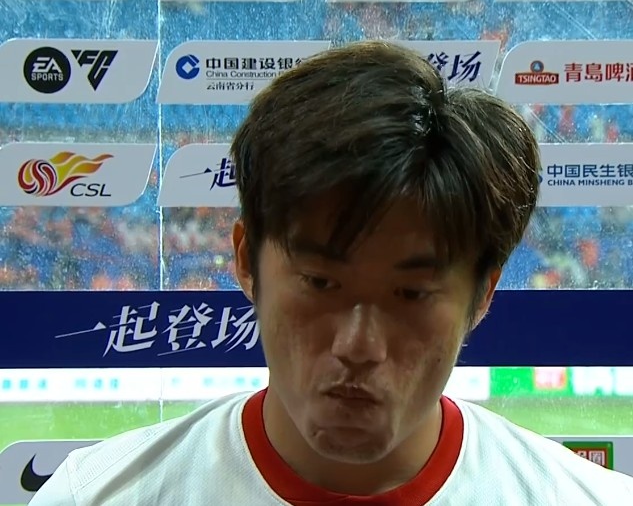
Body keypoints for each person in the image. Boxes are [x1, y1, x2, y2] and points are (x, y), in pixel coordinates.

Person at [30, 40, 632, 505]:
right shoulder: (96, 495)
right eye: (320, 283)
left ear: (483, 295)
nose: (359, 346)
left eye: (411, 293)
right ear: (246, 260)